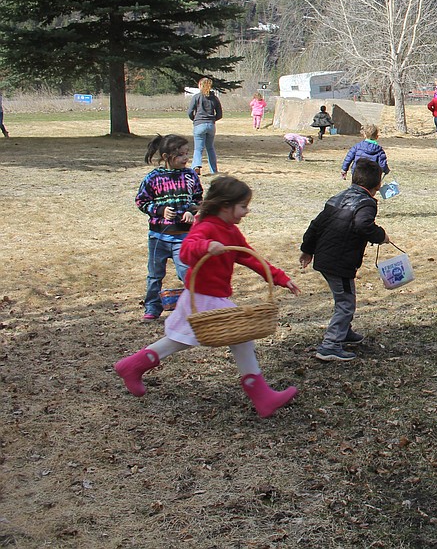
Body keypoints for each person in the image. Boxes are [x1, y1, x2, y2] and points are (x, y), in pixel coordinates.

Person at [113, 176, 302, 418]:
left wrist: (279, 277)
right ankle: (262, 396)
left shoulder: (230, 231)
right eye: (242, 206)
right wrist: (206, 246)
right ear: (225, 205)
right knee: (238, 337)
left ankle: (132, 365)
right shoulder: (205, 227)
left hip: (212, 295)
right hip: (203, 296)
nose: (246, 211)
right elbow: (187, 250)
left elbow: (249, 257)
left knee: (189, 339)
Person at [300, 158, 388, 362]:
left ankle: (344, 332)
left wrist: (307, 249)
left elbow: (316, 225)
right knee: (346, 303)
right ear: (378, 185)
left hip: (326, 257)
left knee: (344, 298)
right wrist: (380, 235)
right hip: (339, 261)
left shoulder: (337, 198)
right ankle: (330, 345)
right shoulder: (366, 203)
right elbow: (363, 225)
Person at [135, 134, 203, 321]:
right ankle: (152, 308)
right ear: (166, 157)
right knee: (155, 275)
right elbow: (141, 201)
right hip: (158, 237)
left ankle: (195, 306)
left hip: (182, 237)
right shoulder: (153, 178)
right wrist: (160, 210)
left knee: (187, 273)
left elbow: (198, 198)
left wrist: (191, 211)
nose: (185, 158)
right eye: (180, 155)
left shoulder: (190, 176)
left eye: (186, 154)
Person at [187, 77, 223, 176]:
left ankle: (196, 166)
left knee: (198, 148)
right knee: (210, 148)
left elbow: (190, 112)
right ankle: (214, 170)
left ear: (200, 86)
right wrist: (212, 120)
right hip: (211, 125)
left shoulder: (196, 97)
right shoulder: (214, 98)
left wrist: (194, 120)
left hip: (199, 124)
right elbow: (219, 114)